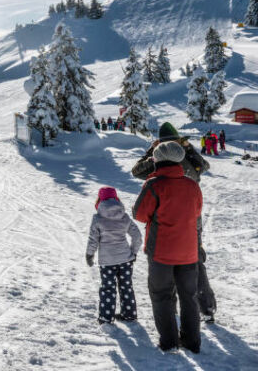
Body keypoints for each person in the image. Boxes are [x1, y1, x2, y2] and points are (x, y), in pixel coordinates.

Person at [131, 122, 216, 322]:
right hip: (191, 218)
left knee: (168, 266)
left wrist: (152, 150)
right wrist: (188, 148)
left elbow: (136, 171)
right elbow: (203, 166)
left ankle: (173, 310)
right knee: (194, 262)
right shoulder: (185, 157)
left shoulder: (159, 160)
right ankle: (206, 306)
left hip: (167, 220)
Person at [133, 141, 203, 353]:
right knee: (189, 296)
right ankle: (192, 342)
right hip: (189, 251)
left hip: (161, 252)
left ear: (159, 160)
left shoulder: (154, 184)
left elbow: (139, 214)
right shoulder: (192, 185)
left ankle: (170, 342)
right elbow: (197, 211)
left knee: (162, 295)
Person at [86, 187, 142, 324]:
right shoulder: (124, 216)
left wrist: (89, 254)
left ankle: (106, 317)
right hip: (125, 259)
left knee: (108, 288)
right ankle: (129, 314)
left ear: (99, 200)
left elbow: (93, 239)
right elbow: (137, 236)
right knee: (126, 287)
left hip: (107, 262)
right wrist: (133, 252)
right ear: (116, 199)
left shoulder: (98, 218)